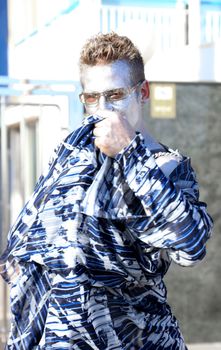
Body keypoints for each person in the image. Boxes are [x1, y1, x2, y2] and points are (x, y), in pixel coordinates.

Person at [0, 32, 213, 350]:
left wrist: (130, 151)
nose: (103, 109)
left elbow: (191, 246)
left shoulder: (167, 167)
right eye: (91, 98)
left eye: (115, 95)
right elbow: (31, 251)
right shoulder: (68, 158)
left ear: (142, 92)